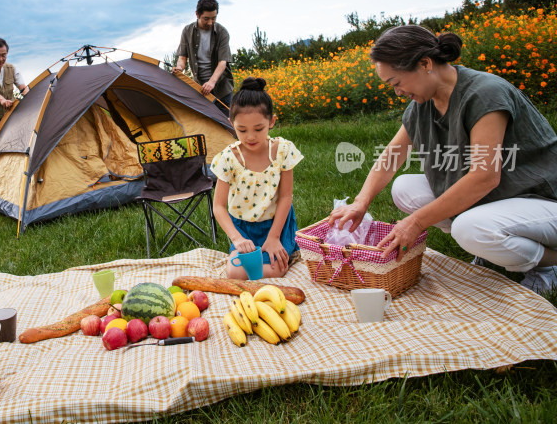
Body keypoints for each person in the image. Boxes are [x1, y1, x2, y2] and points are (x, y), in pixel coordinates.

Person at [328, 25, 557, 295]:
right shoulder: (422, 106)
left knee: (469, 229)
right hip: (504, 196)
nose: (397, 93)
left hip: (542, 198)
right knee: (404, 189)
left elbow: (485, 176)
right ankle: (492, 249)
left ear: (425, 64)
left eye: (396, 83)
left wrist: (415, 222)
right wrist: (360, 203)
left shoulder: (485, 93)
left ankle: (548, 265)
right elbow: (390, 157)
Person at [211, 77, 304, 279]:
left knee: (278, 269)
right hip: (243, 229)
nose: (250, 137)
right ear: (231, 124)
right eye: (242, 130)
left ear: (272, 121)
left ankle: (274, 250)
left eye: (258, 129)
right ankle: (254, 260)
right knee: (234, 272)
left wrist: (274, 237)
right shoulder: (228, 158)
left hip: (276, 224)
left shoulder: (282, 150)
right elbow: (218, 206)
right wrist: (237, 239)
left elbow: (286, 197)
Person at [173, 0, 234, 116]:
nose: (210, 22)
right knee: (207, 125)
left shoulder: (222, 32)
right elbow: (182, 58)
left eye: (214, 18)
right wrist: (179, 68)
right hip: (200, 89)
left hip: (222, 88)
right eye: (206, 19)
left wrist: (212, 82)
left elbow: (223, 62)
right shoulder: (187, 31)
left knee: (227, 126)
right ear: (197, 14)